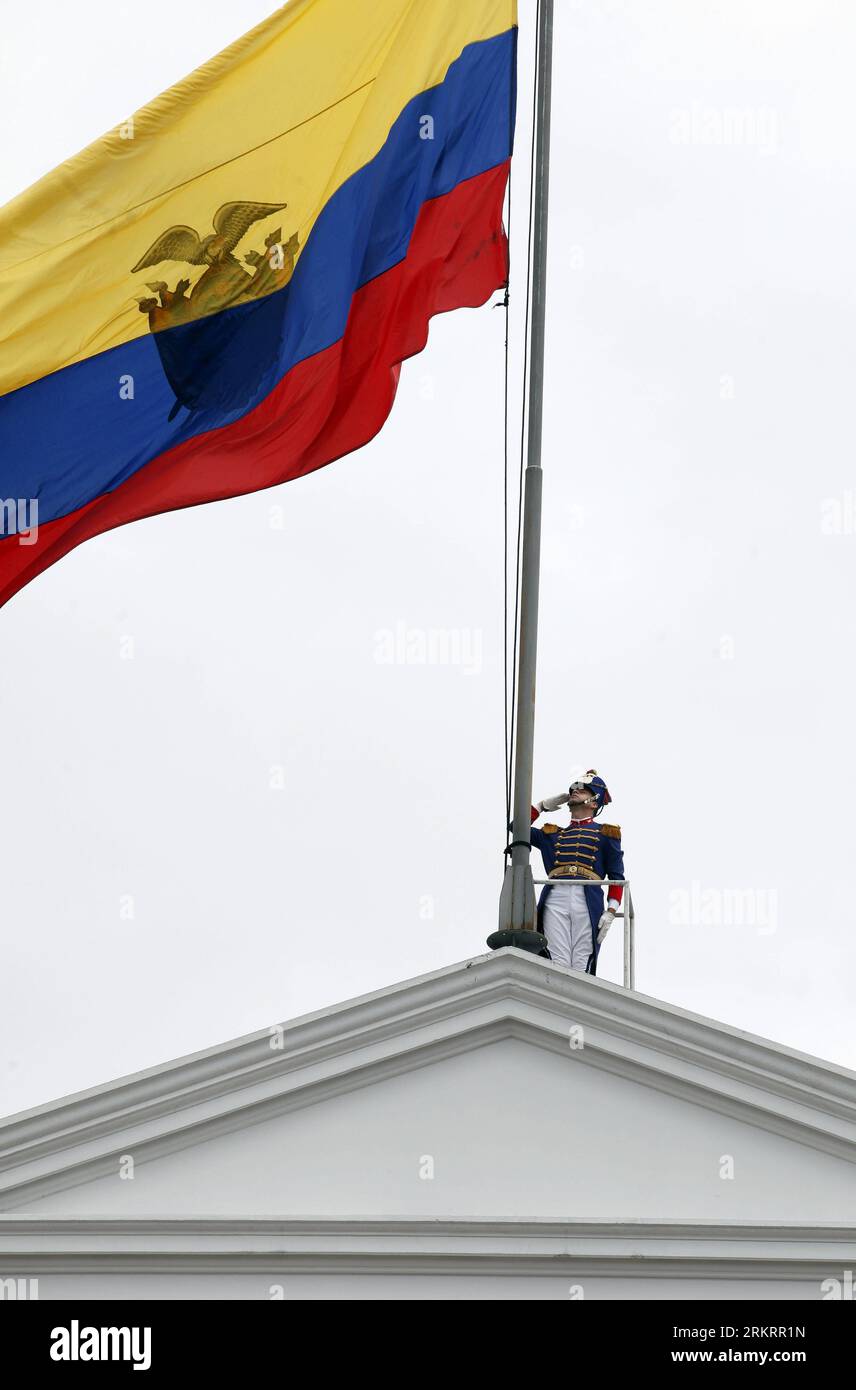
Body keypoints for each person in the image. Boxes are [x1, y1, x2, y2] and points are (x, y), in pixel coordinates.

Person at [529, 770, 625, 973]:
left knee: (583, 962)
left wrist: (611, 911)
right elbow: (516, 827)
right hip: (556, 896)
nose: (575, 791)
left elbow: (617, 877)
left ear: (594, 801)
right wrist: (542, 806)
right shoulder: (553, 834)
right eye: (574, 789)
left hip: (587, 896)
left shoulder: (607, 833)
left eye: (583, 790)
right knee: (556, 960)